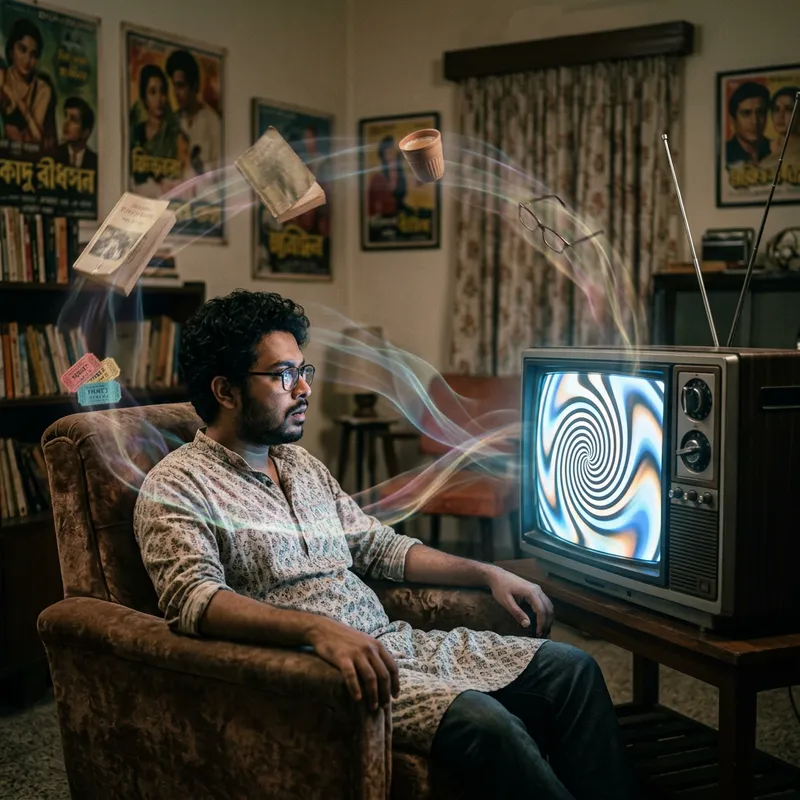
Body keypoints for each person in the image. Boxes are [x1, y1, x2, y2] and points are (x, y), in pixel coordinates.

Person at [133, 290, 637, 800]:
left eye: (303, 369)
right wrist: (319, 631)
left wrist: (485, 573)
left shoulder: (302, 465)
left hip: (394, 644)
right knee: (486, 725)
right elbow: (193, 599)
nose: (304, 387)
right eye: (283, 375)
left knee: (572, 670)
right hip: (321, 674)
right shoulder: (177, 485)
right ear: (226, 390)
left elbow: (379, 548)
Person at [0, 17, 57, 151]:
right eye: (22, 49)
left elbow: (36, 139)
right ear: (11, 50)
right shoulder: (2, 76)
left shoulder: (42, 89)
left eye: (33, 54)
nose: (27, 59)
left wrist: (18, 102)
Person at [165, 48, 221, 175]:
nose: (176, 94)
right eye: (174, 86)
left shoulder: (212, 123)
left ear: (194, 85)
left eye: (181, 86)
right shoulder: (173, 121)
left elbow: (219, 178)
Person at [725, 81, 771, 167]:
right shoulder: (724, 154)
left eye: (760, 112)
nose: (755, 121)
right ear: (733, 120)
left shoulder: (777, 150)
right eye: (746, 113)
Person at [55, 96, 97, 170]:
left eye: (73, 119)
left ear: (85, 132)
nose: (66, 123)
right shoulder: (52, 157)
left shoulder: (95, 162)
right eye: (65, 116)